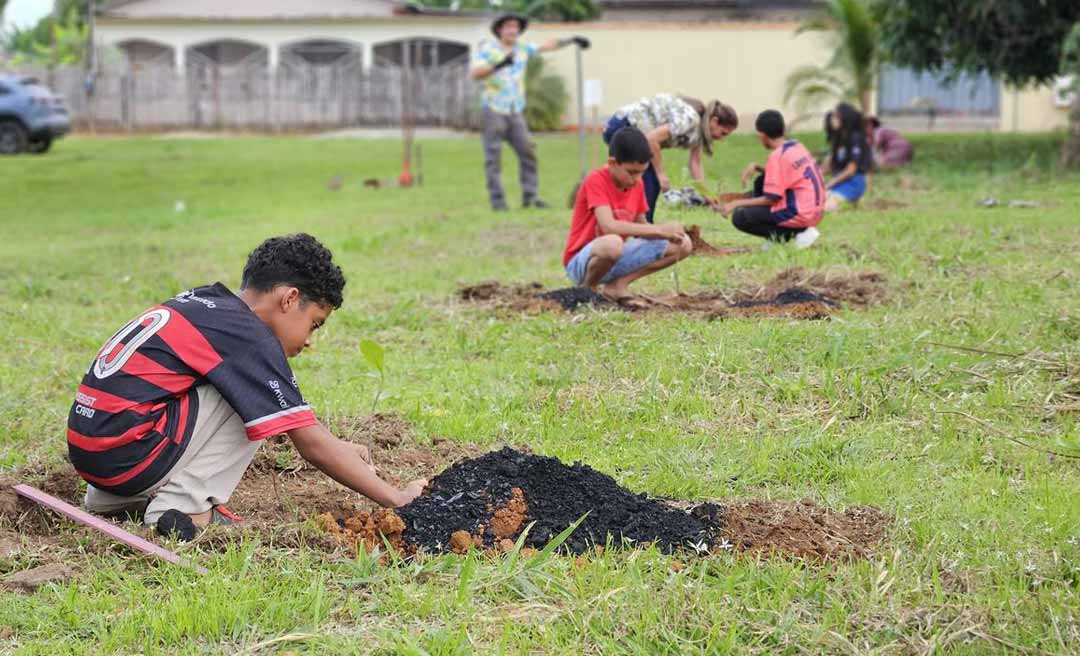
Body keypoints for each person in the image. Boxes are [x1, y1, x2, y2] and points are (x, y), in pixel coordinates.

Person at [67, 234, 427, 541]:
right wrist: (399, 499)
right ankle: (182, 506)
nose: (308, 341)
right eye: (314, 324)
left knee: (249, 390)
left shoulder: (206, 302)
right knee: (252, 398)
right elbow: (310, 444)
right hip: (131, 455)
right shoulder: (249, 336)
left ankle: (114, 499)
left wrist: (338, 445)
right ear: (289, 299)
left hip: (97, 460)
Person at [471, 12, 589, 211]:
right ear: (499, 30)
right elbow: (475, 74)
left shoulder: (522, 49)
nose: (512, 30)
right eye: (508, 26)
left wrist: (571, 40)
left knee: (528, 152)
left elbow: (547, 45)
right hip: (493, 109)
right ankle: (498, 202)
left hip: (515, 110)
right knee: (493, 158)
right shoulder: (487, 49)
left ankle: (531, 197)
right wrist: (499, 65)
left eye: (515, 27)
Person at [562, 126, 692, 303]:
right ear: (612, 163)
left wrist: (668, 231)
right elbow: (608, 226)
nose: (637, 179)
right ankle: (587, 290)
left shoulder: (637, 185)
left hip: (614, 256)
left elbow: (641, 228)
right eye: (631, 172)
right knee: (612, 243)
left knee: (684, 244)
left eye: (642, 172)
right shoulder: (596, 180)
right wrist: (660, 230)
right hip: (582, 262)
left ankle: (617, 286)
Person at [602, 94, 738, 222]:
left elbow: (695, 163)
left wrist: (706, 195)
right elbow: (651, 140)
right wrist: (661, 173)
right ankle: (641, 226)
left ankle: (632, 222)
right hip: (623, 125)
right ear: (714, 121)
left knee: (638, 179)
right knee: (649, 180)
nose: (722, 139)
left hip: (629, 129)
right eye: (723, 133)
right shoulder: (690, 120)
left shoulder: (700, 131)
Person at [716, 110, 825, 250]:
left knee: (740, 217)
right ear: (783, 130)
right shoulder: (797, 146)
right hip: (815, 212)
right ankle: (786, 233)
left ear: (762, 136)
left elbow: (771, 199)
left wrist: (735, 203)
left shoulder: (777, 156)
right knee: (761, 182)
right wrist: (757, 167)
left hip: (800, 214)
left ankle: (796, 233)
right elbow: (788, 175)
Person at [823, 102, 872, 211]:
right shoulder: (838, 138)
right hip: (839, 181)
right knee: (816, 200)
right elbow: (827, 166)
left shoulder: (855, 138)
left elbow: (851, 171)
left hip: (853, 182)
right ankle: (850, 202)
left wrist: (829, 184)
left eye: (836, 116)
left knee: (826, 207)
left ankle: (852, 201)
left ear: (845, 118)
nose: (832, 119)